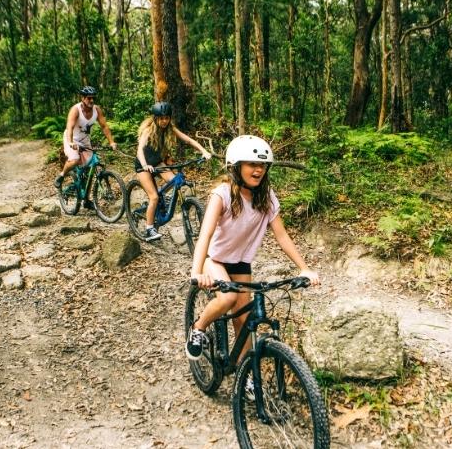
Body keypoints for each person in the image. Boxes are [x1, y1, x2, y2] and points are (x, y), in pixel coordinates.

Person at [185, 135, 319, 362]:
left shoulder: (267, 198)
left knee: (243, 321)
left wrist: (304, 268)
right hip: (215, 259)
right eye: (252, 164)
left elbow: (282, 235)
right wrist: (197, 272)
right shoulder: (222, 194)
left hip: (240, 263)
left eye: (263, 165)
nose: (259, 170)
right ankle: (198, 328)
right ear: (236, 167)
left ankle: (243, 374)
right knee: (227, 299)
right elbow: (205, 234)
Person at [134, 101, 212, 241]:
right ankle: (149, 228)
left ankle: (164, 201)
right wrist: (145, 165)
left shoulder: (170, 129)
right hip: (143, 165)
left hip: (157, 163)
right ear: (156, 118)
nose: (164, 121)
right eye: (161, 118)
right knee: (154, 197)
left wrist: (204, 151)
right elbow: (139, 150)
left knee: (175, 181)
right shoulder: (148, 130)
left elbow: (188, 140)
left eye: (167, 118)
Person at [55, 86, 118, 208]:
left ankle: (86, 201)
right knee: (75, 160)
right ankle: (61, 176)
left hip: (85, 141)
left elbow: (104, 126)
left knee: (90, 169)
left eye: (93, 98)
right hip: (72, 138)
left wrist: (111, 142)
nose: (92, 100)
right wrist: (71, 143)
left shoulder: (96, 110)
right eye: (89, 98)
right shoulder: (75, 110)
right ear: (83, 98)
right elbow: (69, 127)